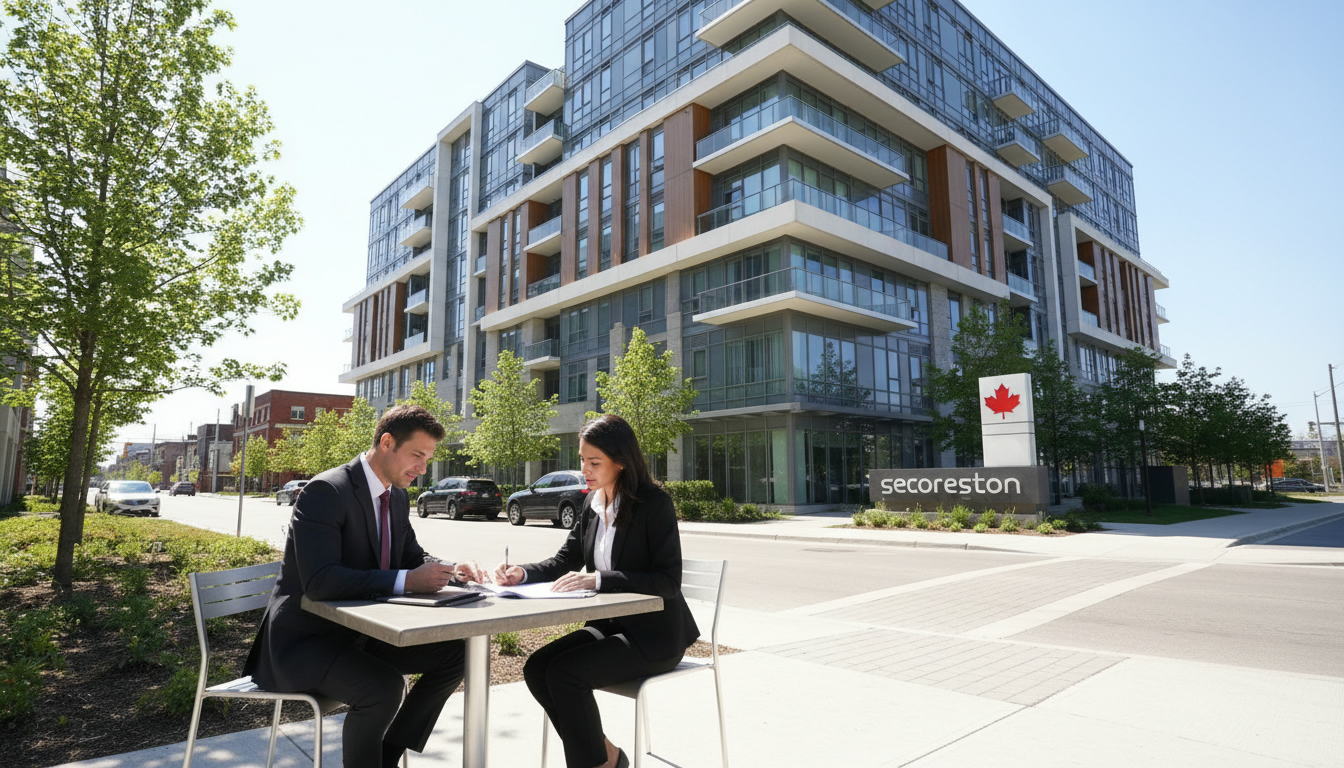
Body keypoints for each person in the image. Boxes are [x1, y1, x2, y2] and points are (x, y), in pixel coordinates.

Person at [244, 404, 489, 768]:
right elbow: (320, 581)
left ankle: (385, 758)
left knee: (457, 653)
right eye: (417, 455)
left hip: (357, 637)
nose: (424, 468)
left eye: (428, 458)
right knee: (383, 688)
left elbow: (412, 558)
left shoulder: (398, 496)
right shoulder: (326, 491)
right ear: (387, 442)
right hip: (305, 644)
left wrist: (452, 572)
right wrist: (409, 580)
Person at [493, 414, 699, 768]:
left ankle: (597, 764)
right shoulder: (591, 504)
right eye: (582, 461)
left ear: (620, 461)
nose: (585, 470)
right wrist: (521, 573)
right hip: (613, 626)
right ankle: (606, 756)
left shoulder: (654, 504)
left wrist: (601, 579)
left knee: (565, 674)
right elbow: (563, 561)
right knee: (537, 668)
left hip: (656, 636)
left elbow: (667, 582)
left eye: (594, 462)